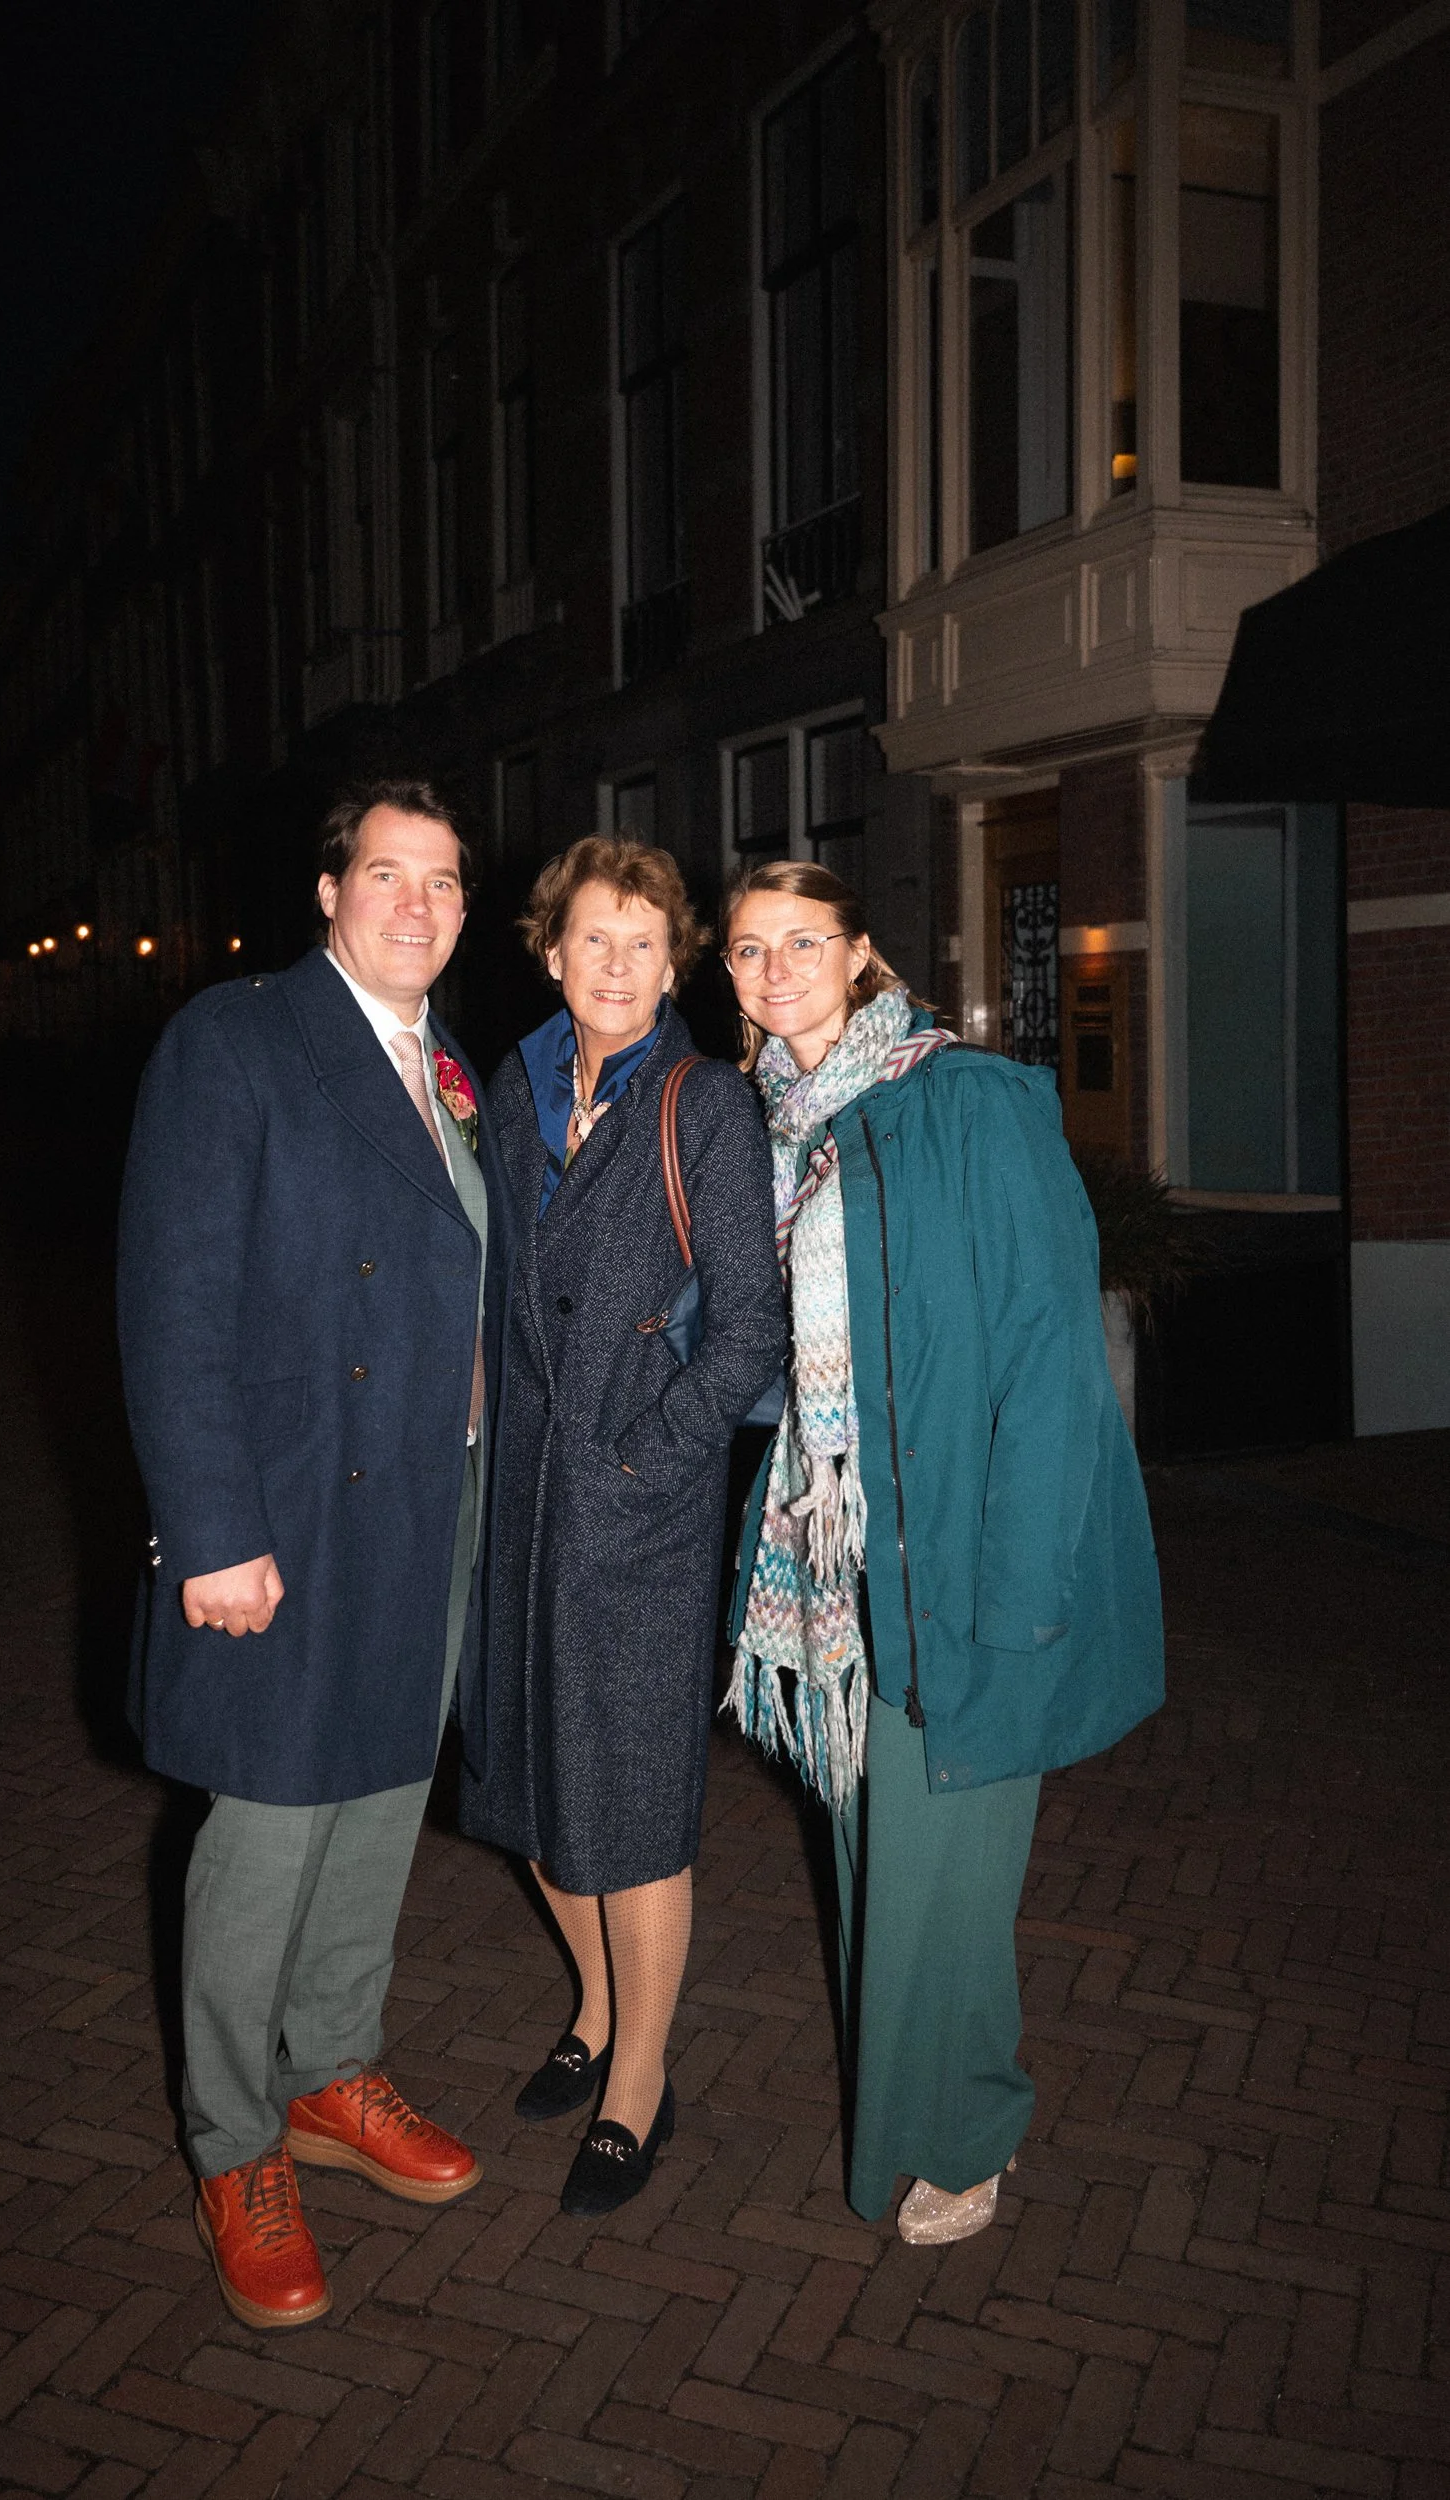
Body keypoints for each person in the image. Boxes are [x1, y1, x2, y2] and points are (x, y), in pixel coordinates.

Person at [722, 859, 1163, 2244]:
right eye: (747, 949)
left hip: (959, 1550)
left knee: (949, 1868)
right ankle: (918, 2106)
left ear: (861, 953)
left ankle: (967, 2131)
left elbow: (1050, 1354)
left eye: (803, 940)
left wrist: (1022, 1590)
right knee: (877, 1854)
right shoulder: (775, 1125)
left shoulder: (964, 1101)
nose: (775, 968)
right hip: (840, 1551)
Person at [118, 778, 504, 2330]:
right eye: (387, 874)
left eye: (444, 881)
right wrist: (212, 1527)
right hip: (288, 1510)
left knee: (382, 1795)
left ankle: (330, 2067)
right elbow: (172, 1298)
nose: (417, 904)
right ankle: (234, 2139)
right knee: (270, 1822)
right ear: (330, 893)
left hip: (428, 1500)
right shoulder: (239, 1040)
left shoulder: (448, 1062)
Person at [460, 837, 787, 2216]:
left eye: (642, 944)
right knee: (533, 1787)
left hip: (639, 1511)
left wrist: (642, 1458)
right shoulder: (506, 1089)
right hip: (518, 1500)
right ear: (552, 952)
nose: (615, 963)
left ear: (673, 965)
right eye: (593, 937)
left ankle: (639, 2080)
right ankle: (594, 2009)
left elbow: (751, 1330)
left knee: (634, 1806)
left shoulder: (702, 1105)